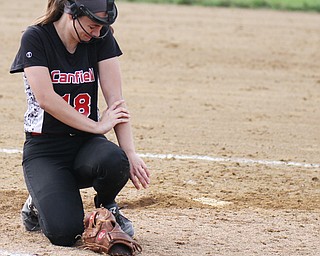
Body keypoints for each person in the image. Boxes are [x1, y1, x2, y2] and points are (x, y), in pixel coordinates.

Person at [10, 0, 150, 248]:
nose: (97, 33)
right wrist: (96, 126)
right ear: (71, 12)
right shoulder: (36, 37)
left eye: (101, 27)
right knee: (65, 234)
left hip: (86, 145)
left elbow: (116, 100)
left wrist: (130, 153)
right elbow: (46, 98)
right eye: (92, 26)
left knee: (115, 160)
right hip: (46, 149)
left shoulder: (100, 37)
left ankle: (107, 206)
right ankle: (36, 203)